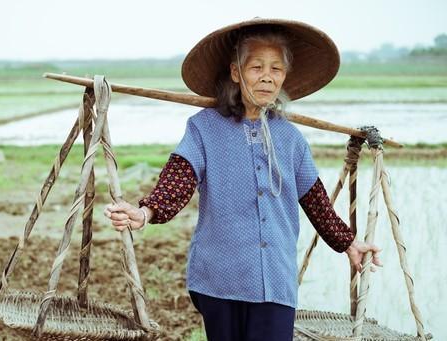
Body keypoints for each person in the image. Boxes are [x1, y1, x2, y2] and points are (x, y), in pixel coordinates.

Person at [103, 18, 382, 341]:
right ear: (236, 73)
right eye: (256, 67)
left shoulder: (290, 138)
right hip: (220, 280)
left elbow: (315, 200)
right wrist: (145, 212)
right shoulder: (204, 127)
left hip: (275, 280)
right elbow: (178, 180)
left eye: (276, 69)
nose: (267, 76)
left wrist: (348, 243)